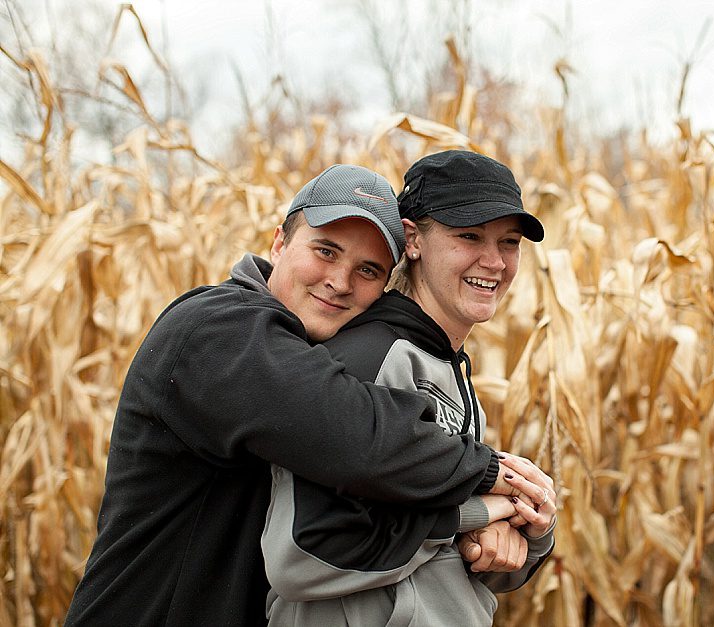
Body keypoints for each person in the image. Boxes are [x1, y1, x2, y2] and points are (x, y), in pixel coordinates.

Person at [64, 164, 528, 627]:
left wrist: (497, 521)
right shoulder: (218, 329)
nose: (340, 281)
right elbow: (357, 433)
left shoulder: (306, 350)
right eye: (325, 251)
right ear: (279, 242)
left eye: (368, 270)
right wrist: (489, 478)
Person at [262, 151, 557, 626]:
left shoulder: (448, 367)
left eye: (509, 241)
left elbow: (456, 569)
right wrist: (475, 515)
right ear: (414, 239)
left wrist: (526, 532)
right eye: (469, 236)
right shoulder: (365, 362)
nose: (494, 261)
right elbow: (301, 557)